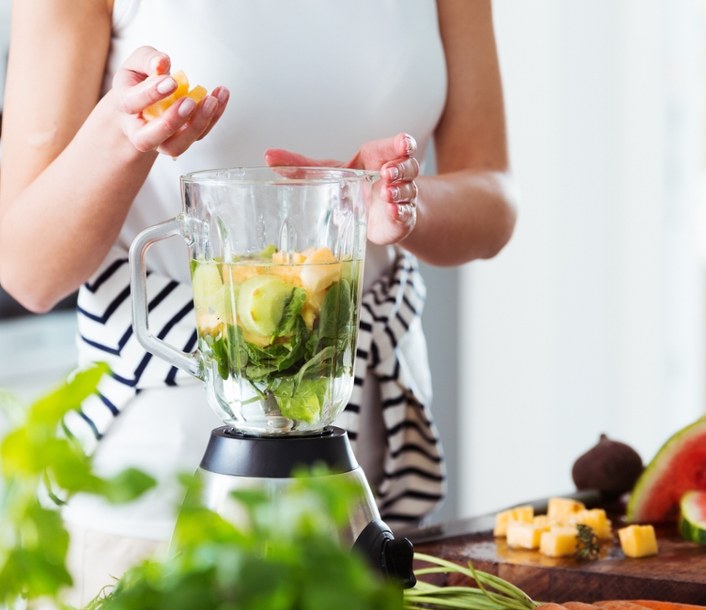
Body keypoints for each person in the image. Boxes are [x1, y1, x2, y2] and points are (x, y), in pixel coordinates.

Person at [0, 0, 516, 603]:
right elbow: (26, 269)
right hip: (153, 512)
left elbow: (494, 197)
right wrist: (125, 135)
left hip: (367, 491)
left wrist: (403, 204)